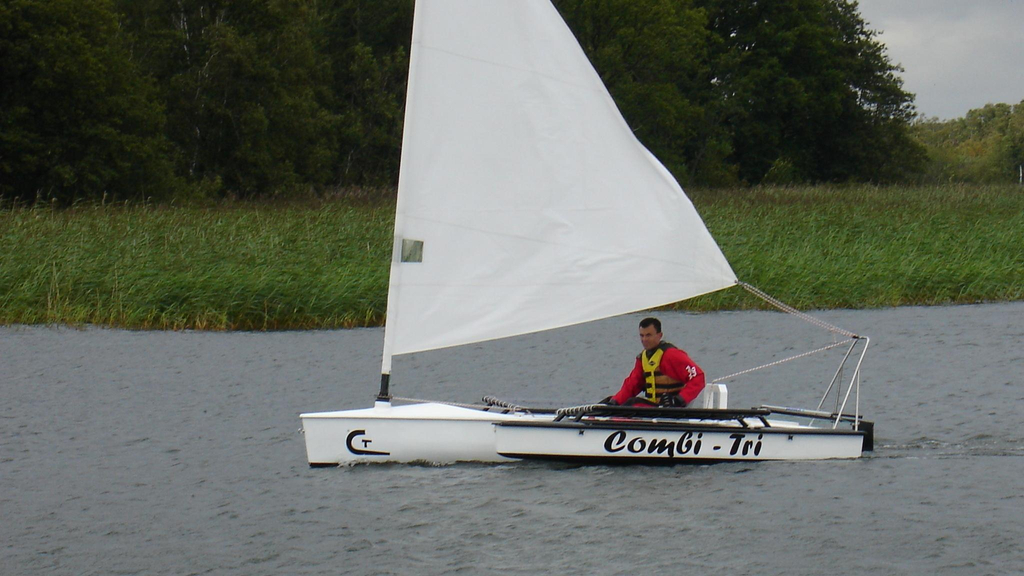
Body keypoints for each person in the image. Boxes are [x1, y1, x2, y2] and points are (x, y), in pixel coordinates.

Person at [602, 317, 705, 407]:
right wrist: (614, 402)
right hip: (654, 408)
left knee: (633, 404)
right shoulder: (643, 358)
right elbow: (632, 385)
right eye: (641, 336)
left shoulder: (672, 355)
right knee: (610, 402)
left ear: (659, 335)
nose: (644, 339)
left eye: (648, 335)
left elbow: (698, 377)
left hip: (671, 409)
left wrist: (678, 400)